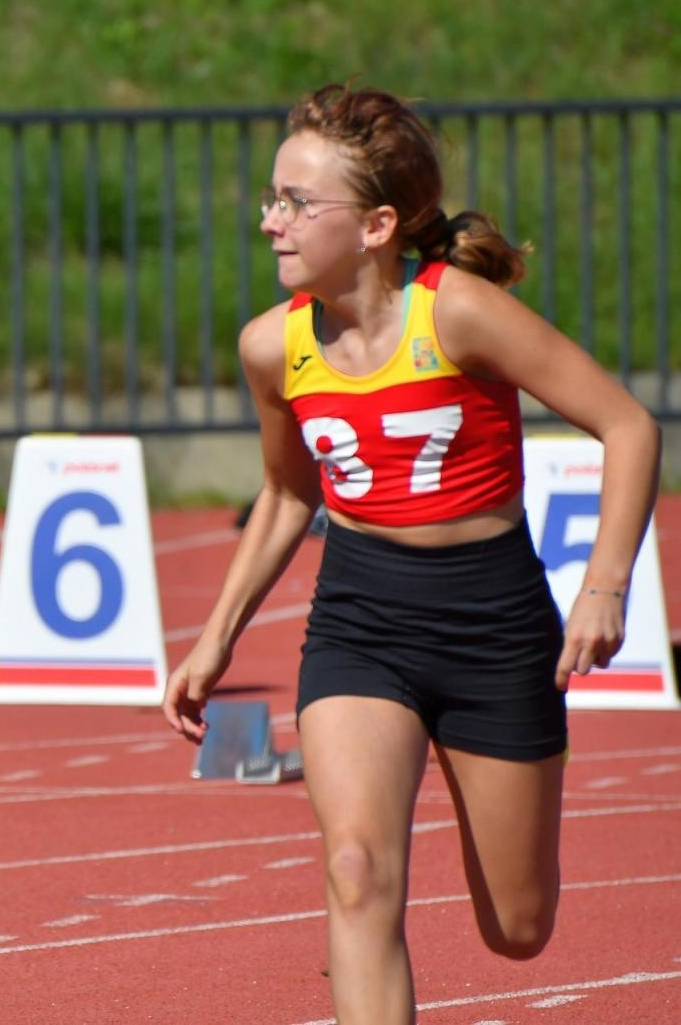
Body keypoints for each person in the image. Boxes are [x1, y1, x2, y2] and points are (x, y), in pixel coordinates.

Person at [162, 83, 660, 1024]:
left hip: (492, 622)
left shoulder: (459, 314)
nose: (271, 221)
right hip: (361, 618)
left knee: (518, 928)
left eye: (299, 204)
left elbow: (629, 426)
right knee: (354, 871)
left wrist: (604, 586)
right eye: (272, 197)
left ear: (379, 223)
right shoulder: (273, 347)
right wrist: (215, 638)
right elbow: (286, 492)